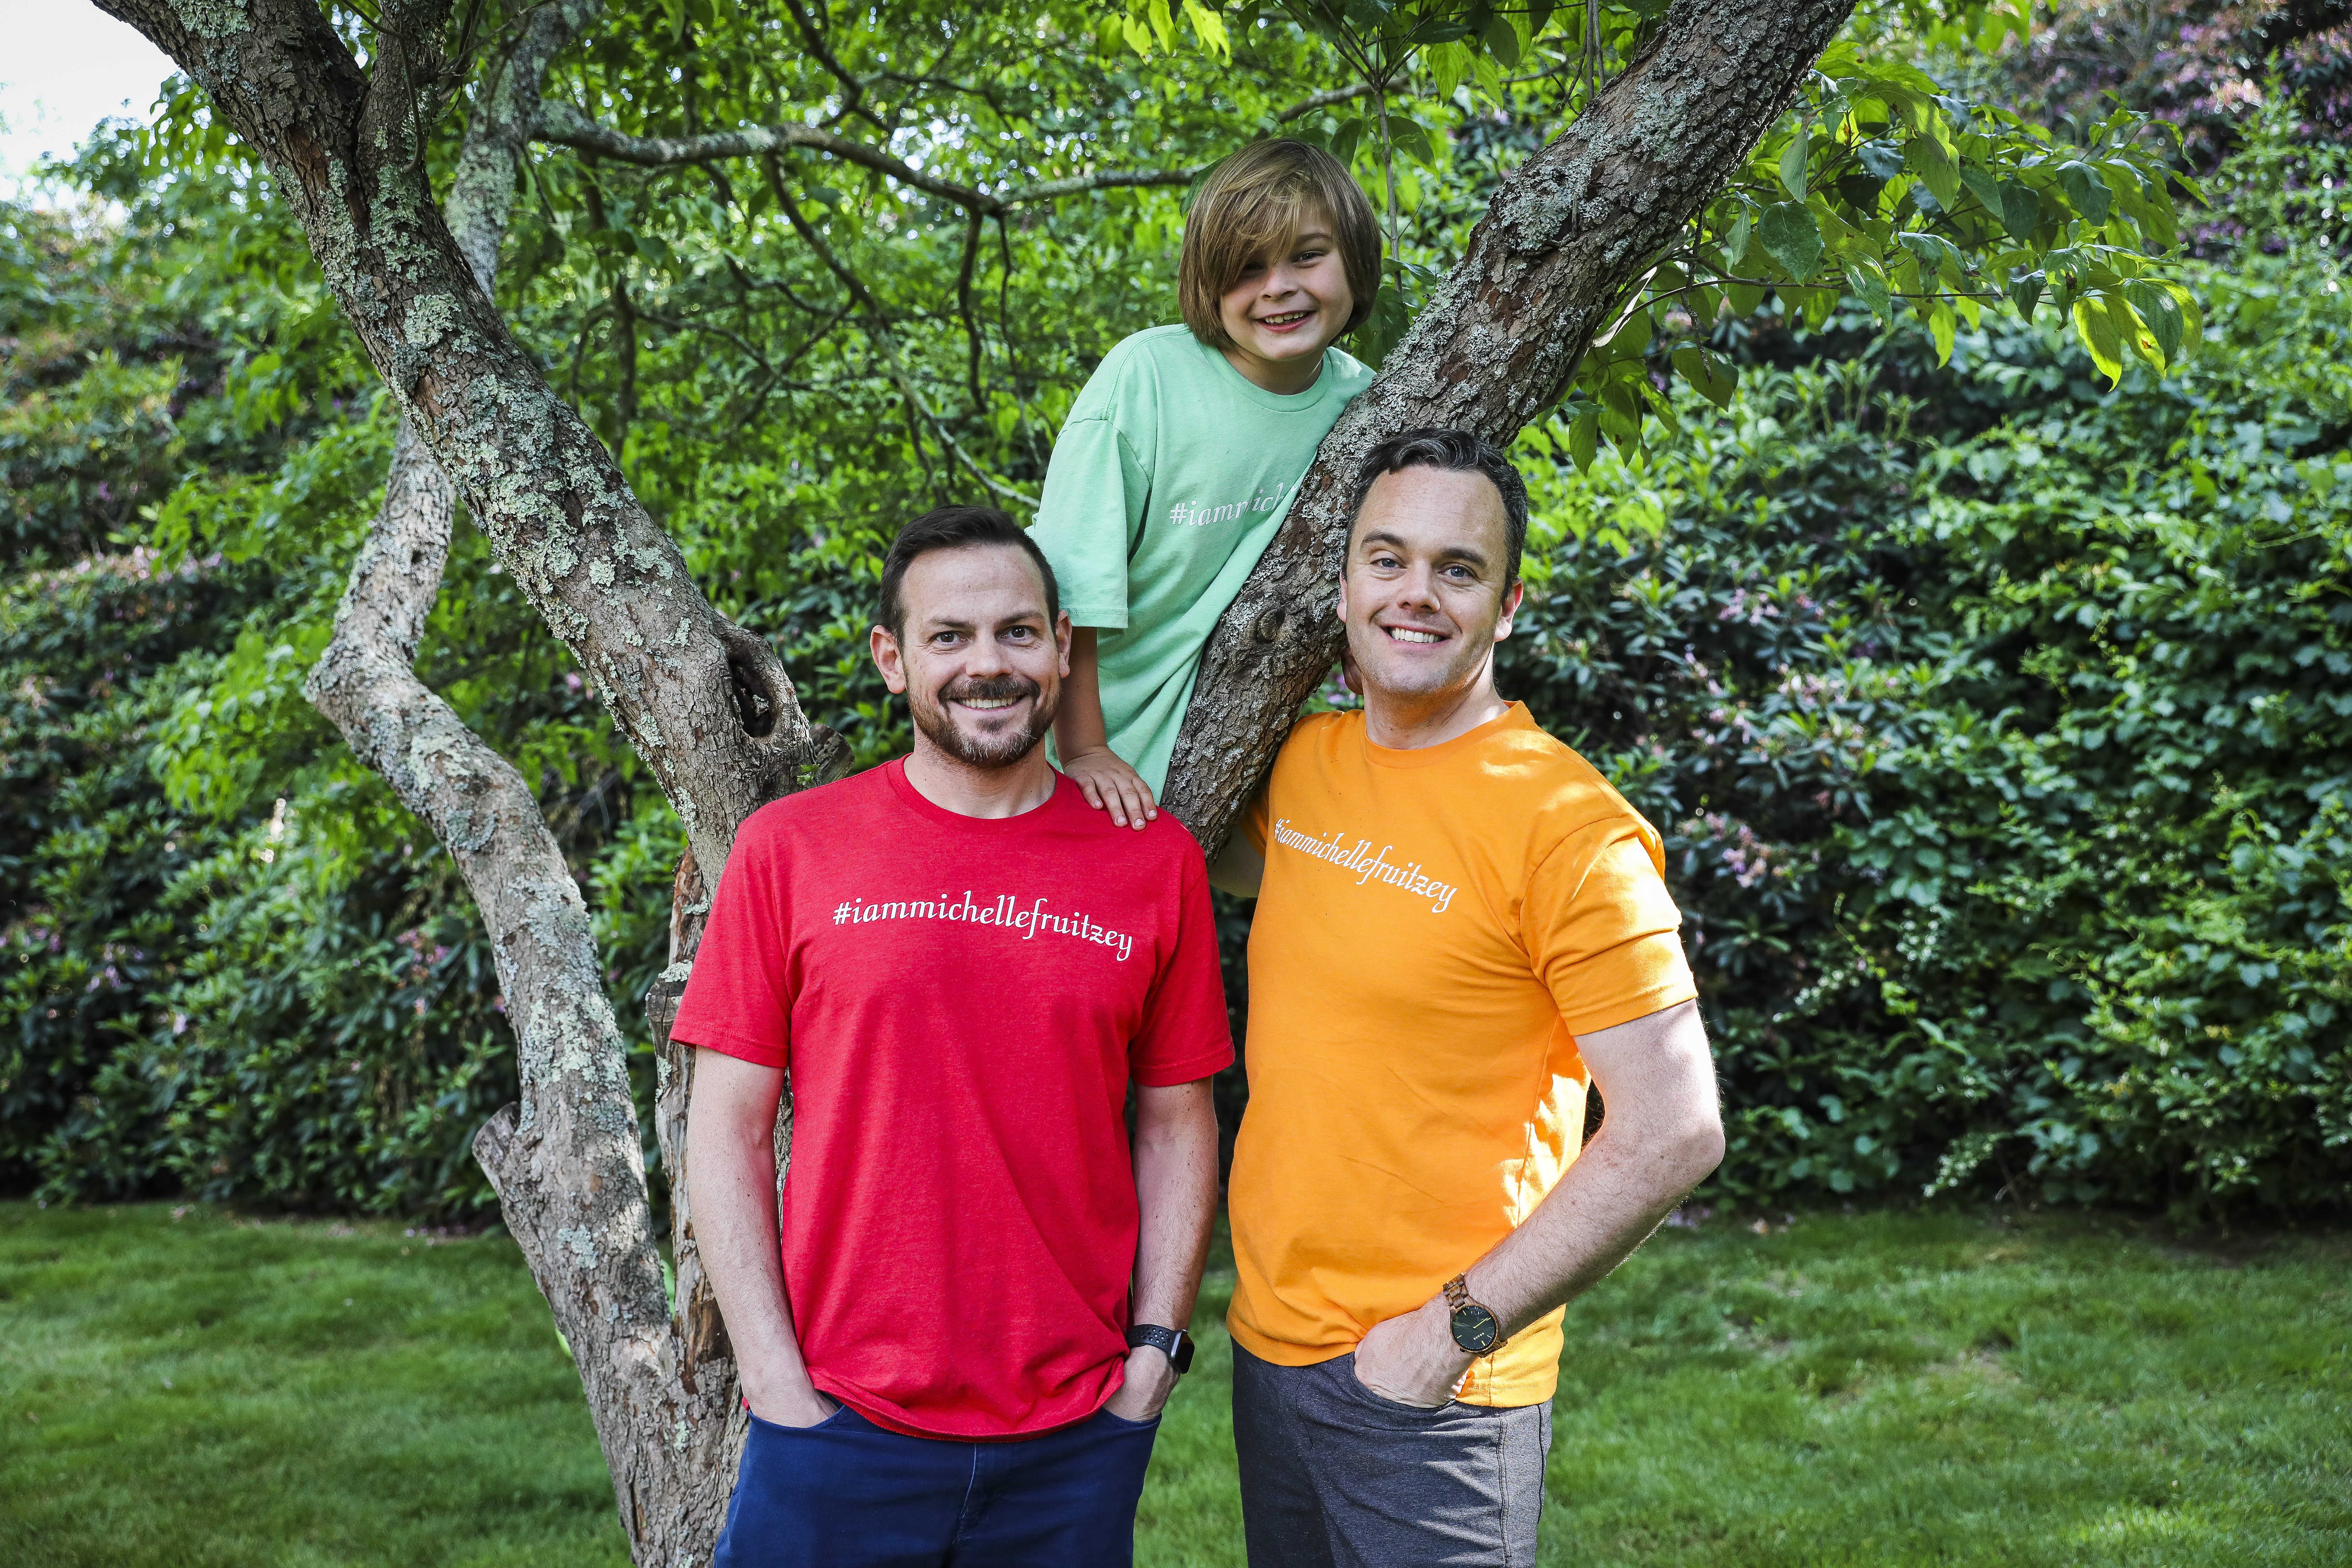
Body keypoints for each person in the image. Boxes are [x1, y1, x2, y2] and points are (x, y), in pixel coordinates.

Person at [674, 505, 1232, 1568]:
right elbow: (728, 1132)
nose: (991, 664)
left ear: (1064, 651)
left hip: (1074, 1437)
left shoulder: (1151, 864)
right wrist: (775, 1383)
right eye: (951, 637)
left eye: (1020, 633)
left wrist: (1154, 1355)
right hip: (836, 1425)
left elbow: (1176, 1125)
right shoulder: (791, 850)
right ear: (893, 659)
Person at [1209, 429, 1727, 1566]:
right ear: (1343, 585)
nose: (1416, 594)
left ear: (1508, 604)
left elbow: (1675, 1128)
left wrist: (1452, 1333)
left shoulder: (1569, 830)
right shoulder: (1301, 767)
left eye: (1458, 568)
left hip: (1434, 1398)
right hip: (1270, 1353)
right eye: (1387, 559)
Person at [1030, 137, 1381, 829]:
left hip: (1240, 734)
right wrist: (1085, 749)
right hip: (1080, 746)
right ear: (1206, 281)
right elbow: (1072, 586)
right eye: (1247, 268)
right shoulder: (1145, 381)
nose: (1279, 286)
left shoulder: (1370, 405)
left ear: (1356, 259)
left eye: (1307, 256)